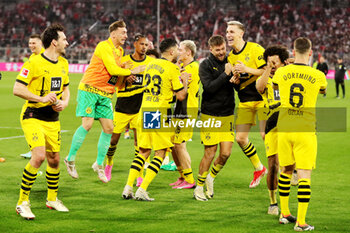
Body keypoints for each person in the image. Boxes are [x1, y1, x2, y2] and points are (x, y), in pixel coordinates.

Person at [64, 20, 144, 183]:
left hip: (106, 93)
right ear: (113, 34)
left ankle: (99, 165)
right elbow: (113, 69)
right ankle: (70, 159)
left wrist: (125, 77)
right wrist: (130, 70)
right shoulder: (103, 46)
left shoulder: (119, 50)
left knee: (109, 129)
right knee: (87, 124)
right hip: (89, 89)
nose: (126, 35)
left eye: (126, 32)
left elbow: (116, 75)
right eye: (123, 32)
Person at [13, 23, 70, 220]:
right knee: (38, 157)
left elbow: (66, 88)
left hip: (53, 119)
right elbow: (18, 89)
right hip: (33, 115)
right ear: (54, 42)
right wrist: (41, 98)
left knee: (54, 160)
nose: (67, 42)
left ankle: (52, 199)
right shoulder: (34, 63)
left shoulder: (63, 63)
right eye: (64, 39)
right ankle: (22, 203)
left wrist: (65, 102)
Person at [122, 38, 190, 201]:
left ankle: (128, 187)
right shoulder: (172, 68)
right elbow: (180, 96)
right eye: (177, 50)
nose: (178, 53)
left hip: (145, 110)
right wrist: (185, 82)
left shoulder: (151, 64)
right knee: (160, 153)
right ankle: (142, 189)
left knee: (143, 152)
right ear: (172, 51)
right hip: (161, 112)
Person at [273, 37, 327, 231]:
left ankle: (284, 214)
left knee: (285, 170)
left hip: (285, 128)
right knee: (304, 174)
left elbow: (277, 87)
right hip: (305, 130)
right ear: (311, 53)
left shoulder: (282, 72)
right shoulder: (318, 75)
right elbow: (322, 90)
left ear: (293, 52)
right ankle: (301, 222)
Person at [104, 34, 154, 182]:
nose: (144, 47)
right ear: (135, 44)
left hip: (141, 108)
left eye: (146, 45)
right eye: (142, 44)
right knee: (113, 140)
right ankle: (109, 164)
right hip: (123, 106)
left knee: (140, 143)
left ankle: (139, 174)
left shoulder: (151, 63)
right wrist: (124, 77)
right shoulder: (124, 61)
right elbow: (111, 80)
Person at [193, 35, 235, 201]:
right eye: (218, 50)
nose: (221, 52)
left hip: (228, 114)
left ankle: (211, 177)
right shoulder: (205, 65)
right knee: (210, 153)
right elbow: (209, 88)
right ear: (211, 49)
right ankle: (199, 187)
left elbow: (233, 85)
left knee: (225, 154)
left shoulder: (230, 60)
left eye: (223, 48)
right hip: (210, 114)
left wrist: (236, 79)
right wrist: (225, 74)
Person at [226, 21, 267, 188]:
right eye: (227, 31)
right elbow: (237, 82)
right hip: (244, 100)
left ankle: (285, 168)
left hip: (263, 98)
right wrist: (234, 81)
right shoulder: (230, 57)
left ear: (241, 34)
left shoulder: (255, 49)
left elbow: (267, 71)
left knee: (266, 136)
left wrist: (246, 69)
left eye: (231, 31)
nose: (228, 34)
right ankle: (259, 168)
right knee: (240, 138)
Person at [256, 45, 289, 216]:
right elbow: (260, 89)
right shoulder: (266, 78)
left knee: (287, 165)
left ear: (283, 61)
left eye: (275, 61)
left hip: (290, 122)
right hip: (272, 125)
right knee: (273, 165)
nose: (273, 64)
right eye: (270, 61)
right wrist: (267, 69)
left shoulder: (289, 75)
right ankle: (273, 202)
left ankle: (286, 202)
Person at [169, 40, 200, 189]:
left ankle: (189, 179)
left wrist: (173, 69)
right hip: (179, 108)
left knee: (180, 144)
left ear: (188, 52)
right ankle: (182, 175)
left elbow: (179, 85)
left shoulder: (193, 68)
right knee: (174, 144)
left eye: (180, 50)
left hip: (188, 110)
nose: (177, 52)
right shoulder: (185, 67)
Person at [20, 34, 46, 159]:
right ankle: (34, 150)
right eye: (30, 43)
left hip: (43, 100)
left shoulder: (45, 57)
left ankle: (37, 151)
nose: (31, 46)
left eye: (34, 43)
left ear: (41, 43)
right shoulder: (32, 57)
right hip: (34, 99)